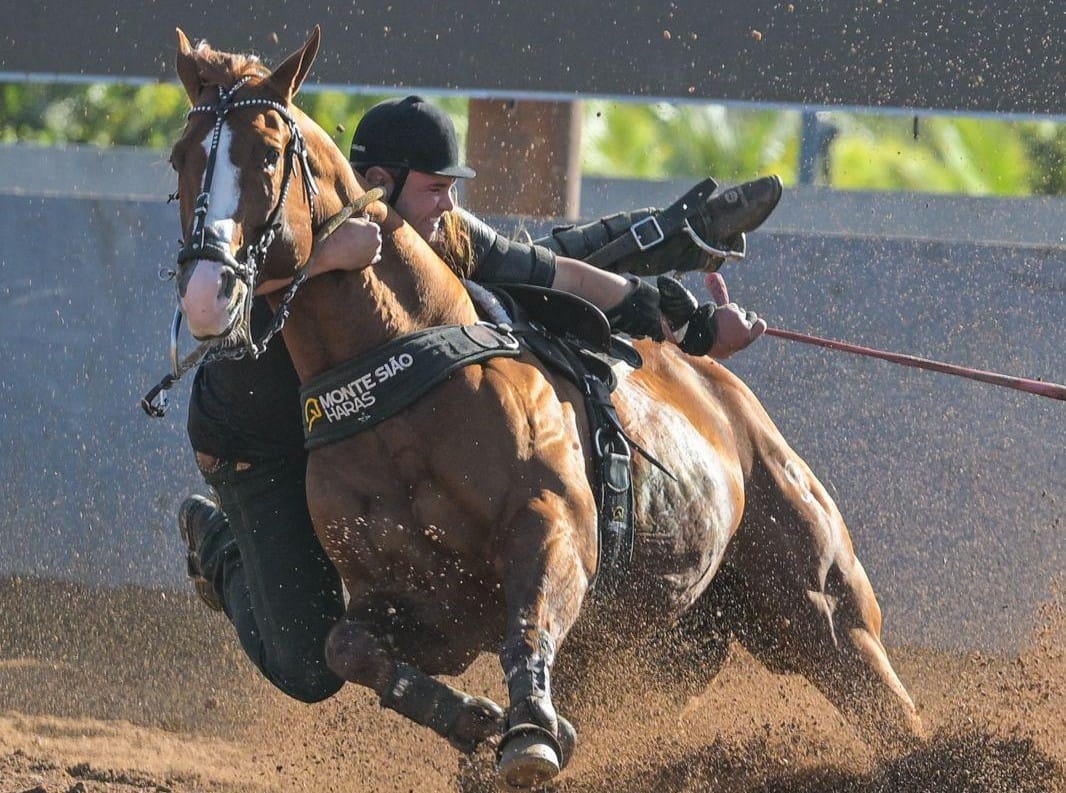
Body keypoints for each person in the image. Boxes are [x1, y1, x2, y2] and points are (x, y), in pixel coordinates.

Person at [178, 95, 779, 704]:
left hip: (342, 454)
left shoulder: (442, 234)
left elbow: (551, 268)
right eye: (437, 188)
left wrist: (691, 324)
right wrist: (329, 256)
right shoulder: (304, 223)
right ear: (379, 185)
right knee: (309, 669)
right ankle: (222, 545)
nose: (449, 205)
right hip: (260, 446)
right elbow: (215, 309)